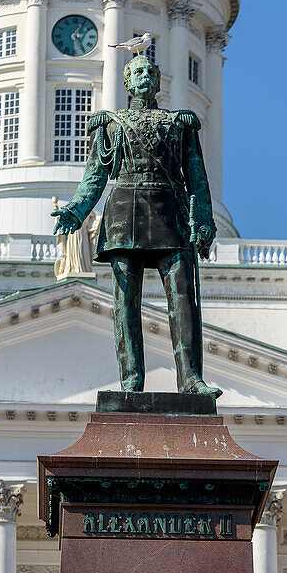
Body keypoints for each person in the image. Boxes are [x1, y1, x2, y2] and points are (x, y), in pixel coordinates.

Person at [52, 54, 219, 397]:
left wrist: (203, 221)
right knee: (126, 301)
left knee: (184, 299)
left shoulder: (181, 124)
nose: (144, 76)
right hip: (123, 213)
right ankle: (131, 379)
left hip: (170, 212)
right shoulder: (110, 124)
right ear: (127, 82)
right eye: (137, 72)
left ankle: (190, 379)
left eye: (150, 72)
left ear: (158, 81)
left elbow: (198, 178)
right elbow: (95, 177)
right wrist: (76, 210)